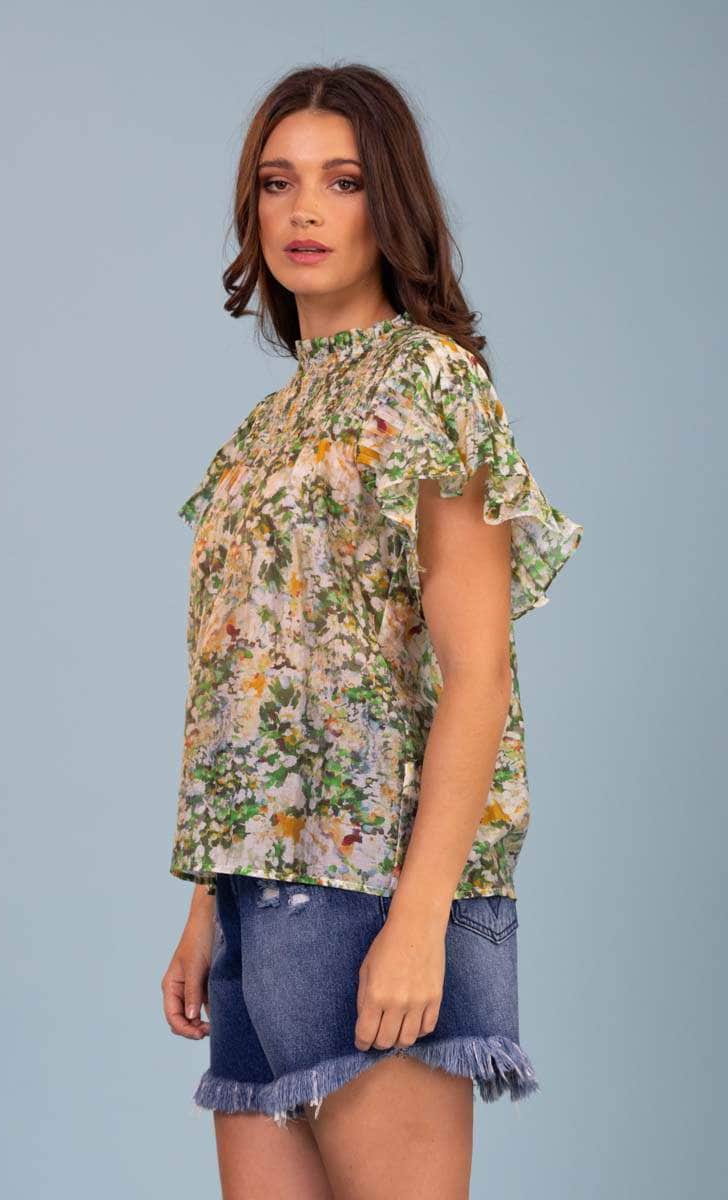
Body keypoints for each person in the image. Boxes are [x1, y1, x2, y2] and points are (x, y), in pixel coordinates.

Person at [161, 62, 583, 1200]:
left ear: (388, 204)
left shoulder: (430, 384)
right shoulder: (266, 429)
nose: (304, 210)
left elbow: (478, 676)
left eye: (341, 182)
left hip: (378, 892)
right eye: (277, 183)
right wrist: (206, 908)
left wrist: (418, 923)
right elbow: (257, 678)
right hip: (256, 899)